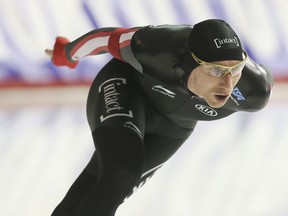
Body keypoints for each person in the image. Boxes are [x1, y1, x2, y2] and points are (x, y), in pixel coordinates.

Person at [45, 19, 273, 216]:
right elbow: (105, 39)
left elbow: (262, 77)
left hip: (174, 126)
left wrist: (231, 71)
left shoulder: (253, 91)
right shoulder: (155, 47)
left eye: (235, 70)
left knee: (108, 189)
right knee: (122, 171)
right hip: (130, 88)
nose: (228, 83)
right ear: (192, 62)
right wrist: (67, 54)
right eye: (216, 70)